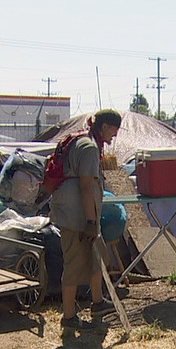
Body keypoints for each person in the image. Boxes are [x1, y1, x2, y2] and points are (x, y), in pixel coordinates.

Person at [49, 109, 121, 332]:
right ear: (105, 126)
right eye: (114, 130)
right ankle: (69, 316)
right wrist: (90, 222)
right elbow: (85, 185)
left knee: (95, 256)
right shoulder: (89, 147)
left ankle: (98, 303)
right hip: (76, 217)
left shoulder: (85, 140)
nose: (114, 136)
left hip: (84, 214)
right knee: (74, 263)